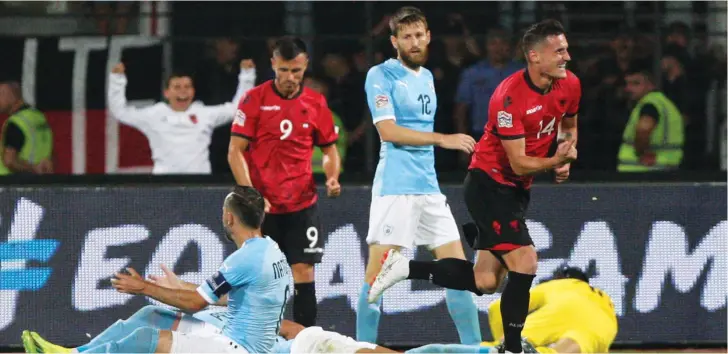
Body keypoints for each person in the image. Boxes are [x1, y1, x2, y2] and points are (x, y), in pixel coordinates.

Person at [367, 19, 581, 354]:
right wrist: (554, 162)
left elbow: (568, 124)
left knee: (486, 281)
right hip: (489, 182)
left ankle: (405, 267)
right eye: (559, 51)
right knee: (525, 261)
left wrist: (565, 154)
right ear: (535, 57)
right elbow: (519, 162)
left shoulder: (569, 84)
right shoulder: (509, 97)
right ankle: (511, 348)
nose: (567, 56)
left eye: (566, 49)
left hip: (516, 189)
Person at [23, 186, 292, 353]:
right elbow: (236, 296)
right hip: (239, 339)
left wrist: (144, 287)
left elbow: (197, 303)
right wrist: (180, 286)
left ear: (229, 217)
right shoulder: (270, 250)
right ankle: (73, 353)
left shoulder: (244, 259)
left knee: (144, 339)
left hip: (233, 348)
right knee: (151, 314)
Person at [358, 6, 481, 346]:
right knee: (376, 276)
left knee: (460, 272)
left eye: (419, 35)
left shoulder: (427, 77)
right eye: (406, 36)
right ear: (394, 40)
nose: (414, 42)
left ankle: (473, 350)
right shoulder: (381, 75)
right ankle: (361, 350)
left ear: (428, 37)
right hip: (395, 189)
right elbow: (388, 131)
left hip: (428, 189)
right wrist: (444, 139)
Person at [227, 36, 342, 327]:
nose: (290, 78)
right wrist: (251, 195)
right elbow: (235, 152)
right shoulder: (254, 99)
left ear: (305, 67)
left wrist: (331, 177)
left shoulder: (316, 103)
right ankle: (254, 338)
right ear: (273, 65)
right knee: (260, 273)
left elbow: (329, 149)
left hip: (302, 203)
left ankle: (307, 339)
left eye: (296, 72)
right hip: (262, 207)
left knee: (303, 271)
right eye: (284, 71)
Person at [408, 266, 618, 354]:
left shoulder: (562, 285)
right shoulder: (606, 309)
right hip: (601, 331)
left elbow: (499, 306)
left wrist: (504, 340)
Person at [107, 59, 256, 174]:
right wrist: (116, 79)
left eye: (187, 87)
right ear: (167, 93)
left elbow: (238, 108)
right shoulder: (153, 115)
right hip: (163, 185)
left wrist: (247, 76)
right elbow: (120, 111)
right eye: (177, 87)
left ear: (193, 91)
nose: (182, 92)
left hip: (199, 185)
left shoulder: (204, 114)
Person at [617, 67, 684, 171]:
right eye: (627, 84)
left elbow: (643, 129)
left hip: (641, 171)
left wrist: (642, 152)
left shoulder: (650, 104)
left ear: (650, 85)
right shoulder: (664, 103)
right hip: (663, 168)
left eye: (636, 83)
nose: (629, 88)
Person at [0, 81, 53, 175]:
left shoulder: (16, 123)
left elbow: (10, 161)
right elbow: (48, 153)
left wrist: (34, 169)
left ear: (12, 96)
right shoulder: (39, 117)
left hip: (12, 184)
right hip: (39, 183)